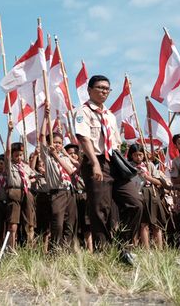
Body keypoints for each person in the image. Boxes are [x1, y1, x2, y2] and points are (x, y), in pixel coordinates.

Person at [74, 75, 141, 257]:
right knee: (100, 209)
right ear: (89, 90)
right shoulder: (83, 112)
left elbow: (116, 143)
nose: (104, 91)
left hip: (115, 162)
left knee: (135, 203)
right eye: (100, 87)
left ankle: (121, 244)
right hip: (96, 161)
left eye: (107, 88)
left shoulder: (109, 115)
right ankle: (103, 253)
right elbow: (83, 137)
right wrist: (94, 164)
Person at [128, 144, 166, 248]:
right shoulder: (129, 166)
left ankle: (160, 248)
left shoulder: (149, 165)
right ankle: (146, 249)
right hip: (138, 193)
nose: (138, 157)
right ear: (131, 156)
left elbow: (159, 182)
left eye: (140, 154)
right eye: (135, 155)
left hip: (152, 193)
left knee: (156, 222)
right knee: (143, 223)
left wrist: (146, 177)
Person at [65, 143, 92, 251]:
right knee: (74, 223)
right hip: (72, 195)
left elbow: (77, 167)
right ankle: (74, 249)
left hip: (84, 195)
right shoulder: (63, 166)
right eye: (70, 153)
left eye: (75, 153)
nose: (73, 155)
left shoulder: (81, 165)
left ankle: (90, 248)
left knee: (87, 223)